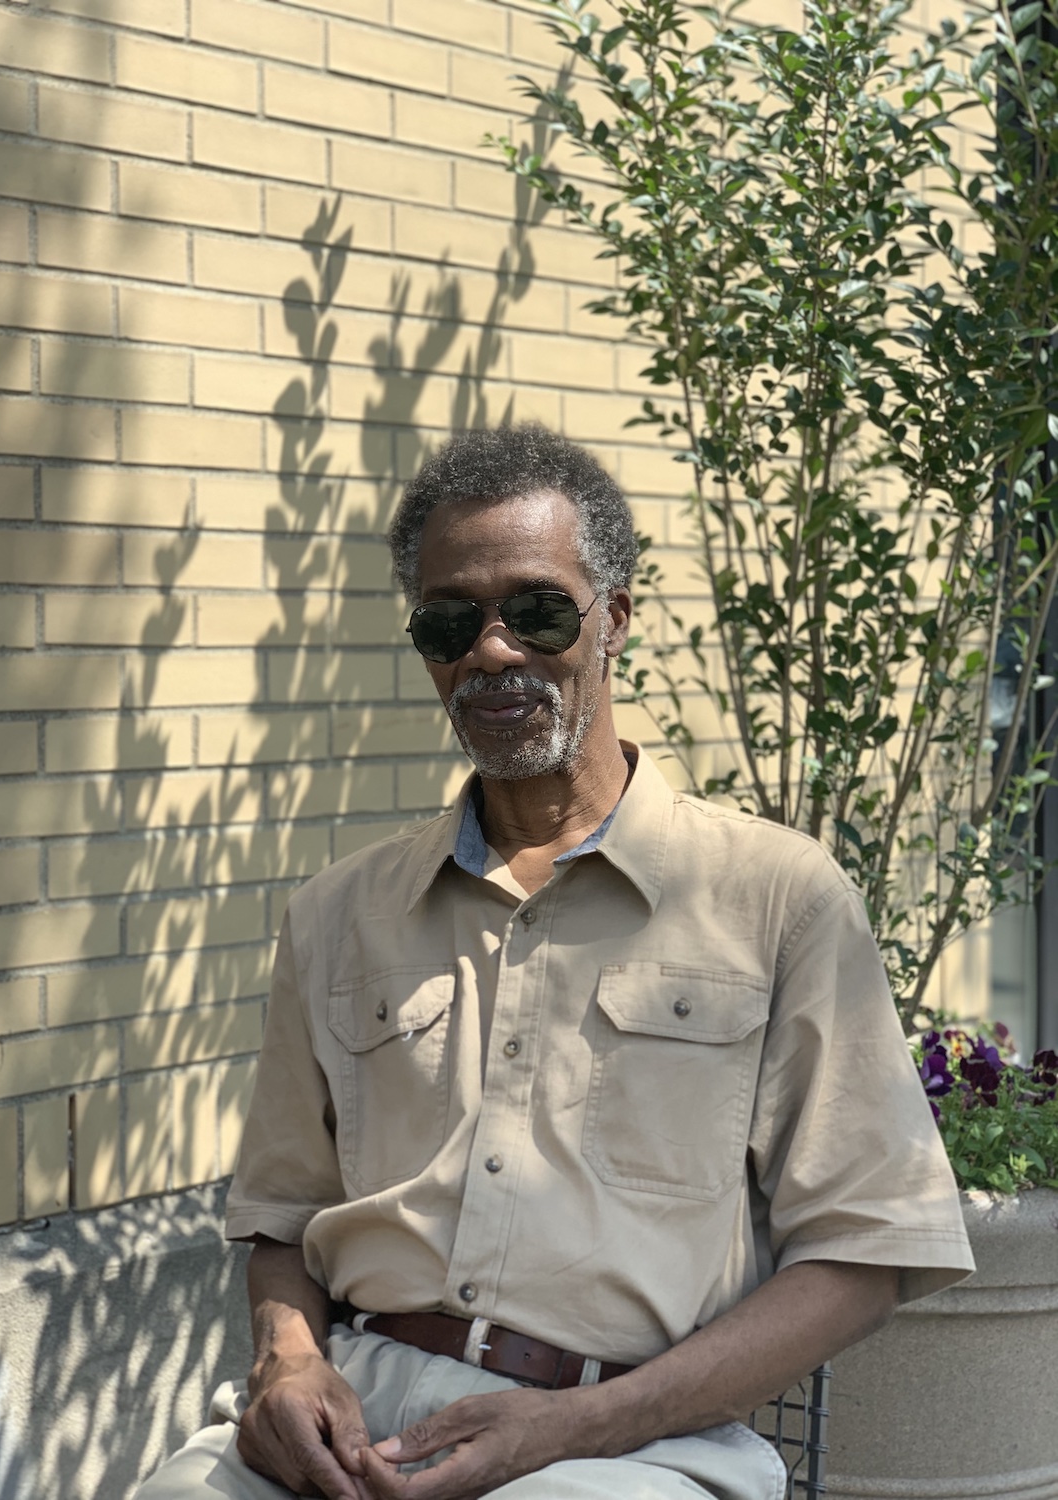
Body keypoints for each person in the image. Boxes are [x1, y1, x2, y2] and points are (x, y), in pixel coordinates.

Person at [137, 425, 974, 1500]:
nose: (491, 651)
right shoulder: (334, 917)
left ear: (614, 618)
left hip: (633, 1439)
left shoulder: (778, 898)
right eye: (451, 622)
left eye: (535, 610)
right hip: (359, 1406)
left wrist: (574, 1427)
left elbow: (868, 1251)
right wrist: (288, 1362)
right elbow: (281, 1221)